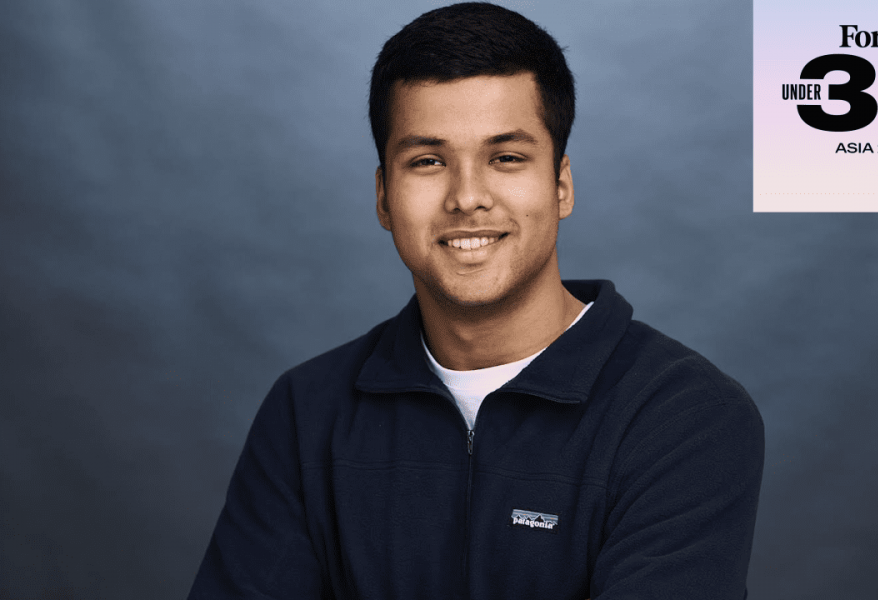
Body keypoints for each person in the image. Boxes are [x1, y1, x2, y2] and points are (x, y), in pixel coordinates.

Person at [188, 3, 764, 599]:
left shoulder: (684, 416)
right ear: (384, 197)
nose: (467, 197)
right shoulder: (307, 413)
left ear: (560, 185)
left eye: (506, 158)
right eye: (428, 162)